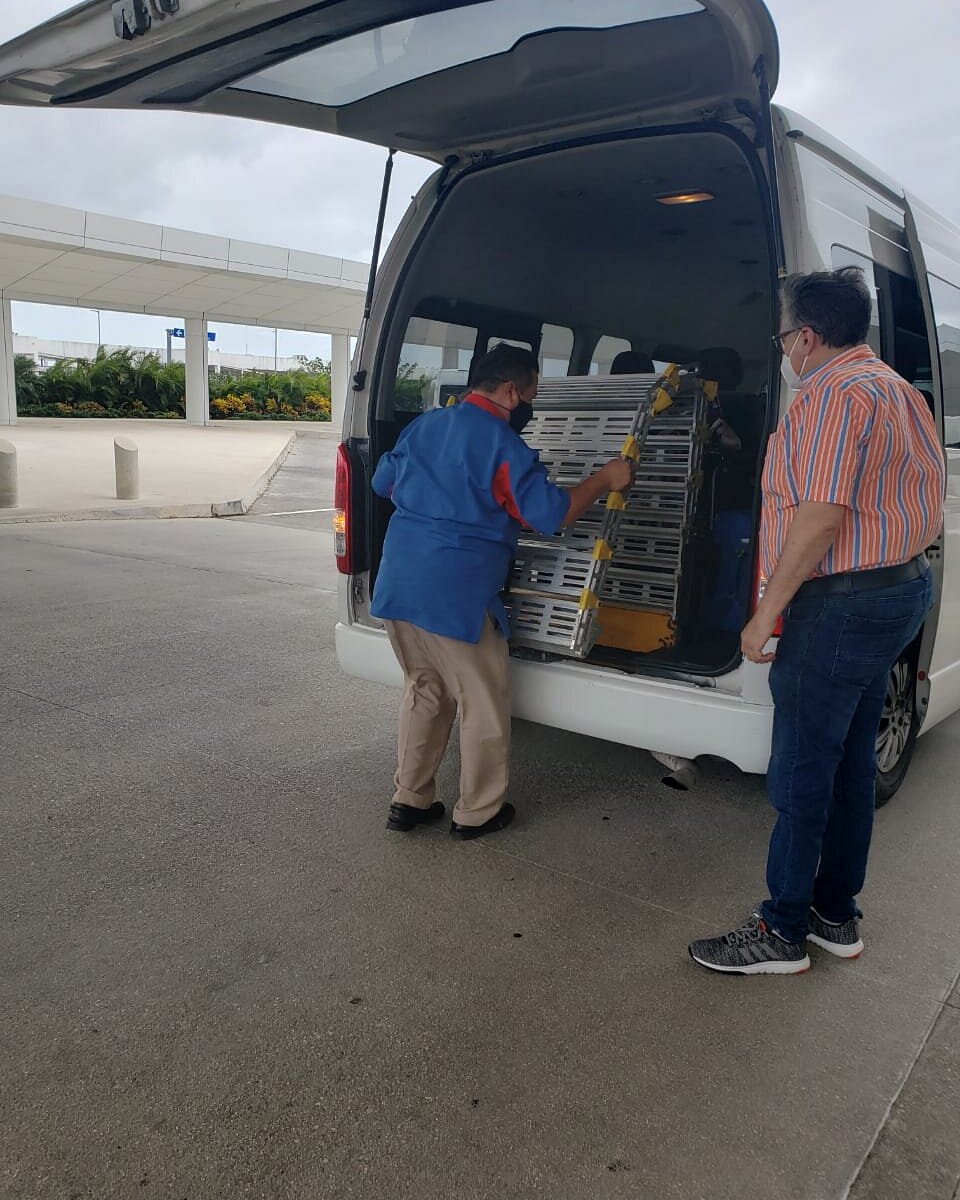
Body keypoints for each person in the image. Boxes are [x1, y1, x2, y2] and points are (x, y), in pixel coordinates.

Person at [689, 267, 946, 975]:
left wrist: (764, 614)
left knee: (803, 767)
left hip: (841, 603)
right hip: (899, 591)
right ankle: (836, 915)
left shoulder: (832, 397)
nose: (783, 349)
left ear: (806, 336)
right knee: (850, 761)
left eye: (782, 335)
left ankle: (780, 931)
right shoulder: (898, 390)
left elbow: (821, 516)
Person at [371, 343, 635, 839]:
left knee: (424, 689)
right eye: (533, 391)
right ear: (513, 390)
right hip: (457, 596)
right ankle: (478, 812)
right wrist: (604, 478)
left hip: (400, 583)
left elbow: (384, 483)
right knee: (483, 702)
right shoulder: (504, 447)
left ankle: (409, 799)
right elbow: (550, 515)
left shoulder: (426, 424)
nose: (531, 403)